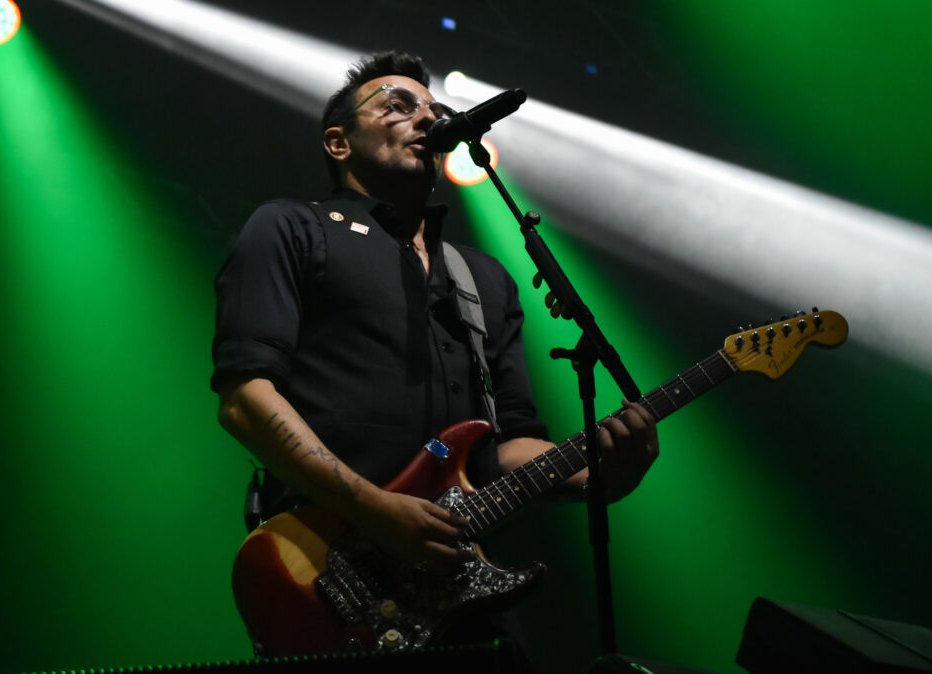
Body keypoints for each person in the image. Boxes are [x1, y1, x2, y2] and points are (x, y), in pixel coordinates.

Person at [210, 51, 659, 657]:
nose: (426, 118)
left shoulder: (483, 279)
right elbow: (245, 400)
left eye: (433, 108)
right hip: (329, 580)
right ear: (339, 143)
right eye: (398, 106)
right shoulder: (291, 229)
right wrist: (374, 509)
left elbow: (511, 443)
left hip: (463, 597)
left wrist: (604, 474)